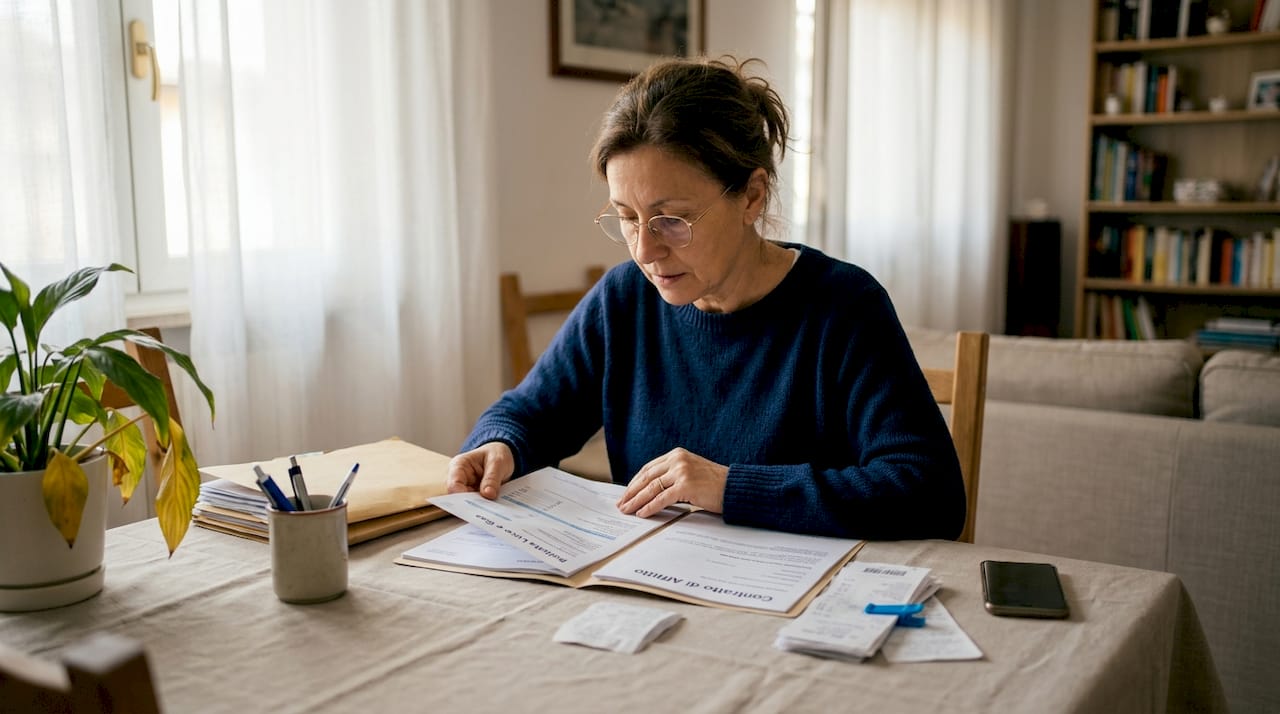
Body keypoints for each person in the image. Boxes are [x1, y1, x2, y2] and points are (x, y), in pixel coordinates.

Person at [447, 56, 965, 540]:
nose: (645, 250)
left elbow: (930, 493)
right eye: (627, 217)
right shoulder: (624, 299)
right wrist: (501, 444)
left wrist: (729, 487)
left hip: (800, 605)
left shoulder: (843, 306)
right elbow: (530, 412)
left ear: (752, 196)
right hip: (660, 589)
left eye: (671, 219)